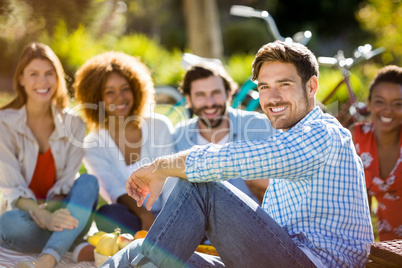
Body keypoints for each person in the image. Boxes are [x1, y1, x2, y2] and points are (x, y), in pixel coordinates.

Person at [102, 40, 374, 268]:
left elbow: (236, 159)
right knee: (141, 247)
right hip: (283, 255)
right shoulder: (288, 135)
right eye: (265, 87)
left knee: (202, 186)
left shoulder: (322, 134)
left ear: (312, 86)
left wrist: (161, 167)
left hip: (316, 263)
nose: (272, 97)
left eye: (285, 84)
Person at [0, 42, 99, 268]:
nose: (42, 82)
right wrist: (41, 215)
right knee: (9, 223)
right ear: (21, 79)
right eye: (34, 74)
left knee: (88, 181)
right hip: (25, 217)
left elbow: (66, 182)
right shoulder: (3, 124)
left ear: (58, 78)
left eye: (49, 74)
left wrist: (54, 214)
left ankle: (47, 259)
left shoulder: (74, 124)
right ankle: (73, 244)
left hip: (65, 212)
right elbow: (12, 187)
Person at [74, 51, 177, 235]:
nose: (120, 98)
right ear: (96, 99)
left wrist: (171, 220)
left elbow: (171, 179)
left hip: (173, 211)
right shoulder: (92, 144)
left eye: (125, 88)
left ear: (136, 89)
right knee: (108, 215)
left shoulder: (159, 125)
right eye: (109, 92)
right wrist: (145, 216)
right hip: (134, 218)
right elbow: (114, 190)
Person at [173, 63, 277, 204]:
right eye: (200, 95)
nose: (209, 103)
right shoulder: (178, 137)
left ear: (228, 95)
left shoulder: (261, 127)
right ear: (189, 100)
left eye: (216, 93)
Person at [350, 65, 402, 241]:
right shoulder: (357, 138)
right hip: (389, 247)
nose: (388, 110)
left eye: (398, 104)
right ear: (369, 103)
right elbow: (356, 208)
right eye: (380, 101)